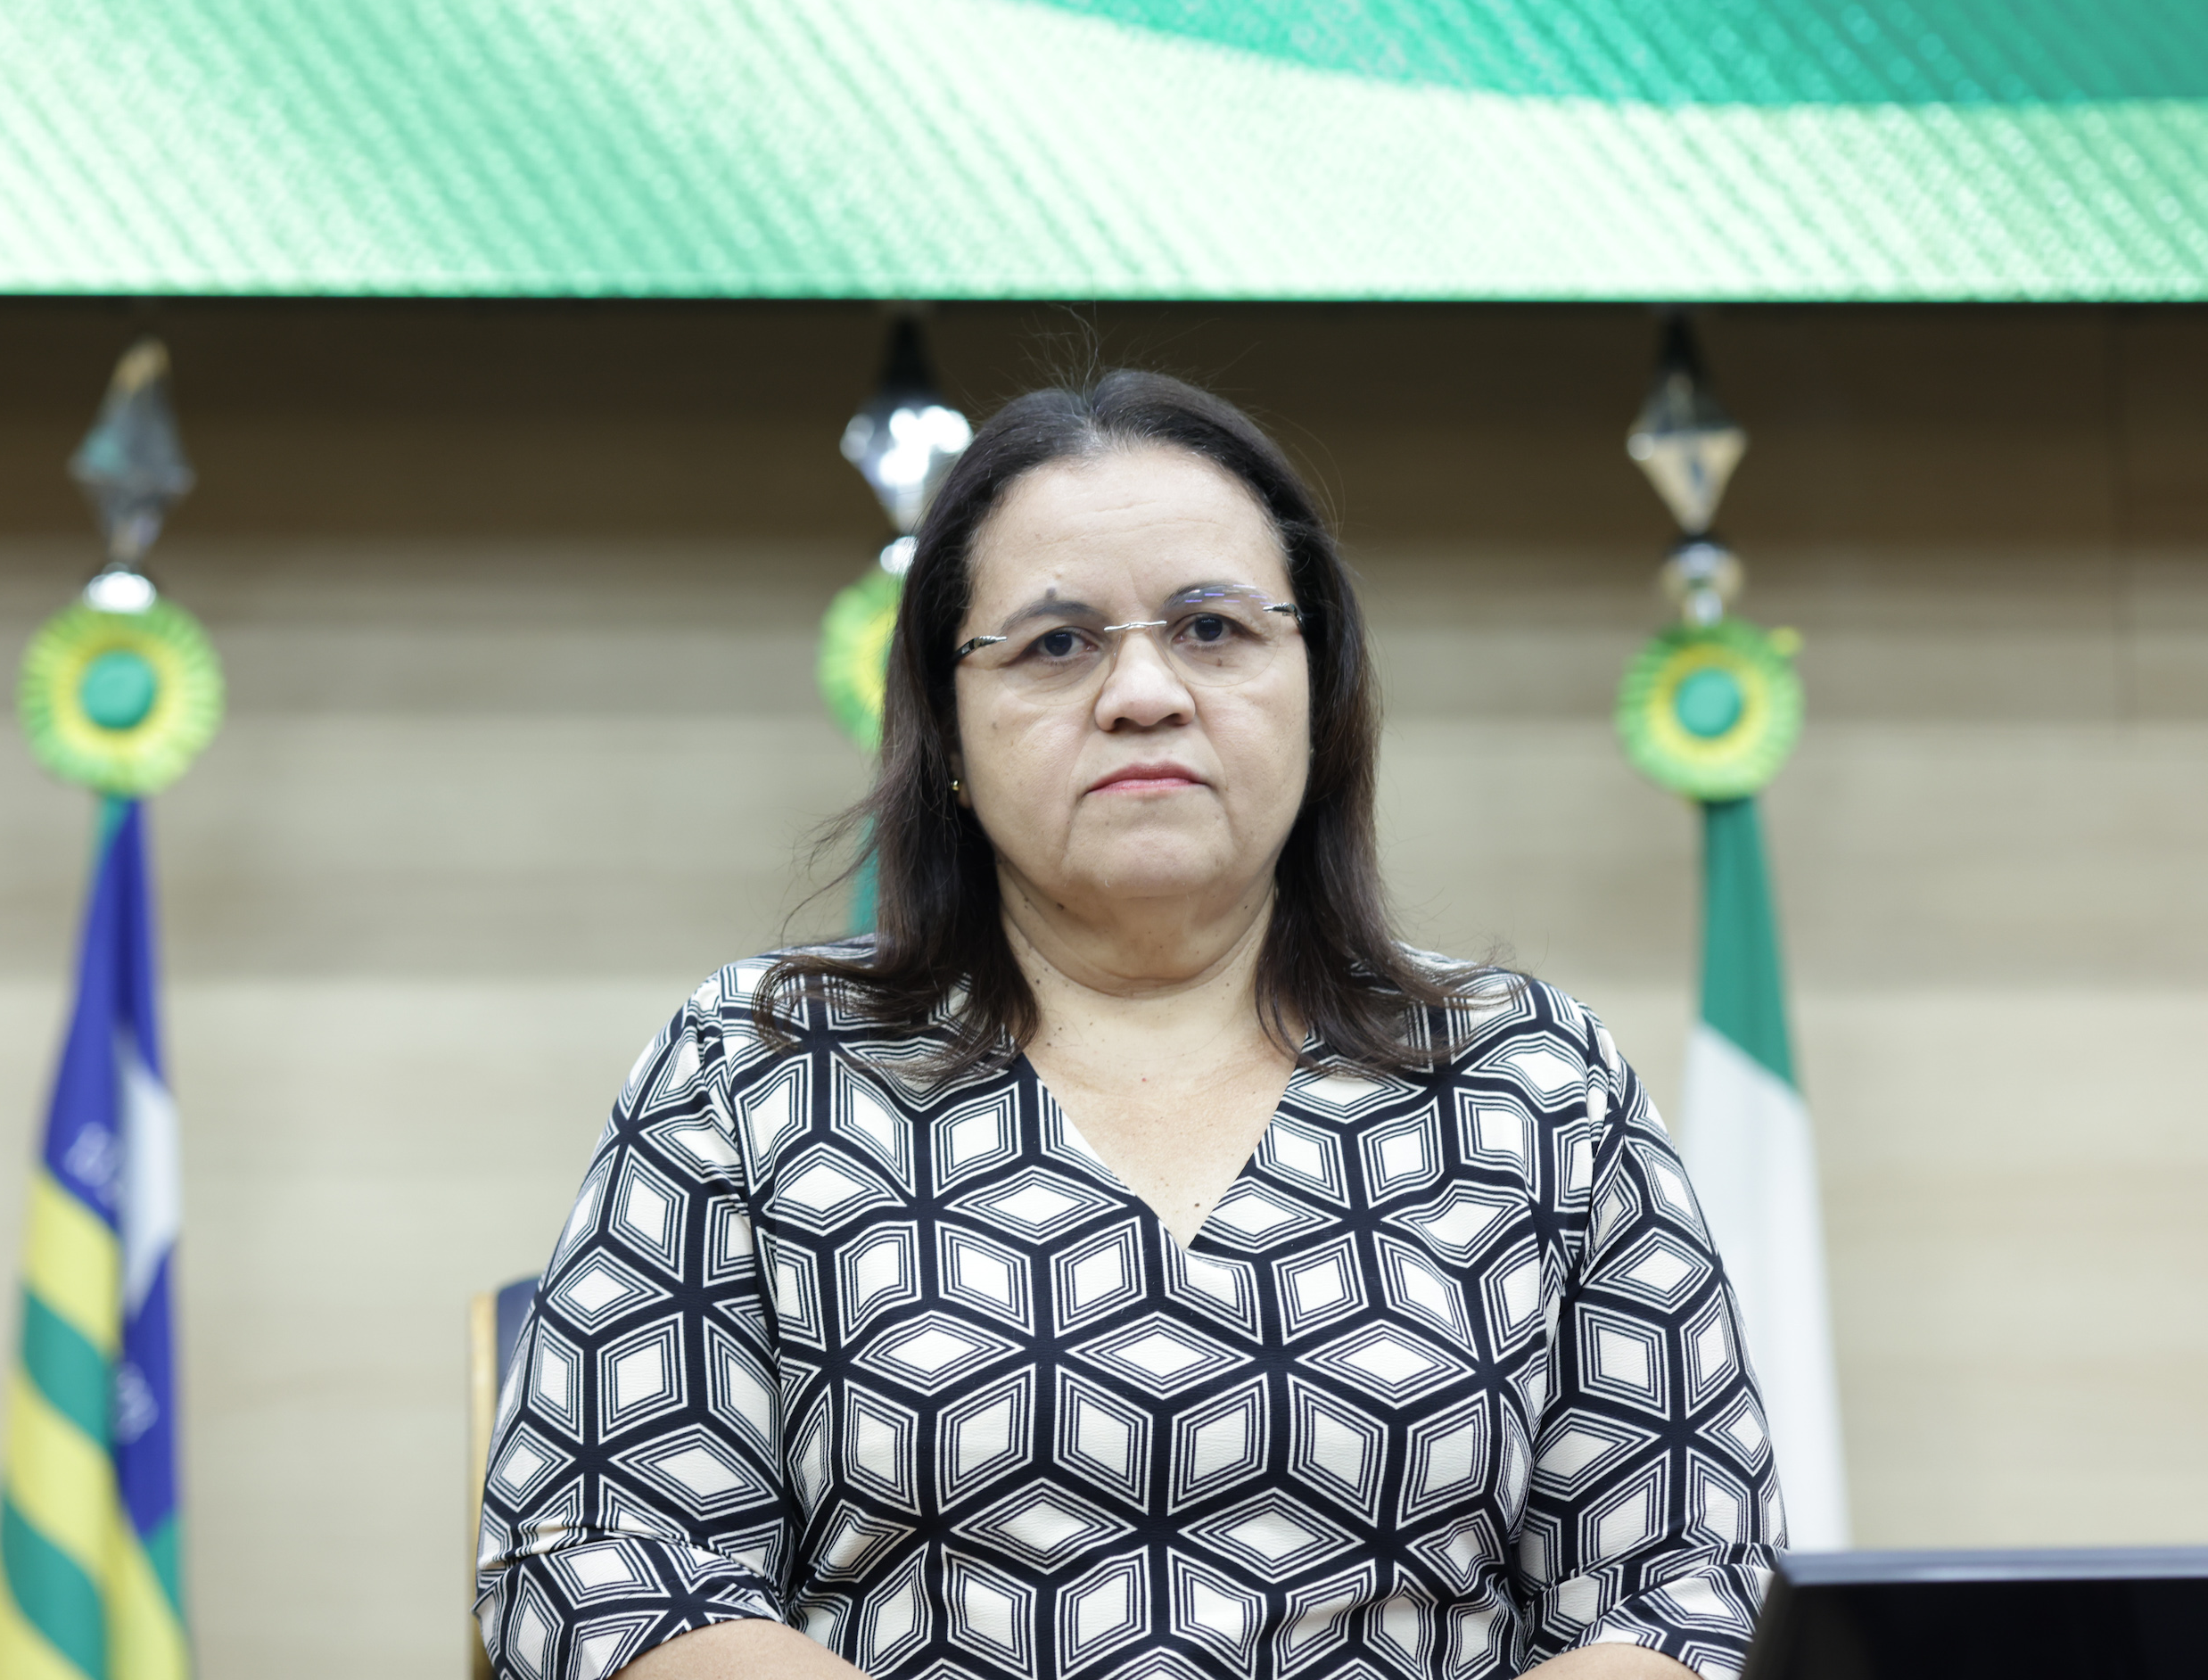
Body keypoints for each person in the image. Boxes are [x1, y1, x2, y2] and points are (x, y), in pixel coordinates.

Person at [475, 372, 1782, 1680]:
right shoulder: (757, 1066)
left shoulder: (1530, 1080)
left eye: (1213, 629)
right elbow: (598, 1561)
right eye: (1057, 644)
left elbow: (1684, 1584)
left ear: (1320, 696)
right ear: (947, 730)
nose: (1144, 692)